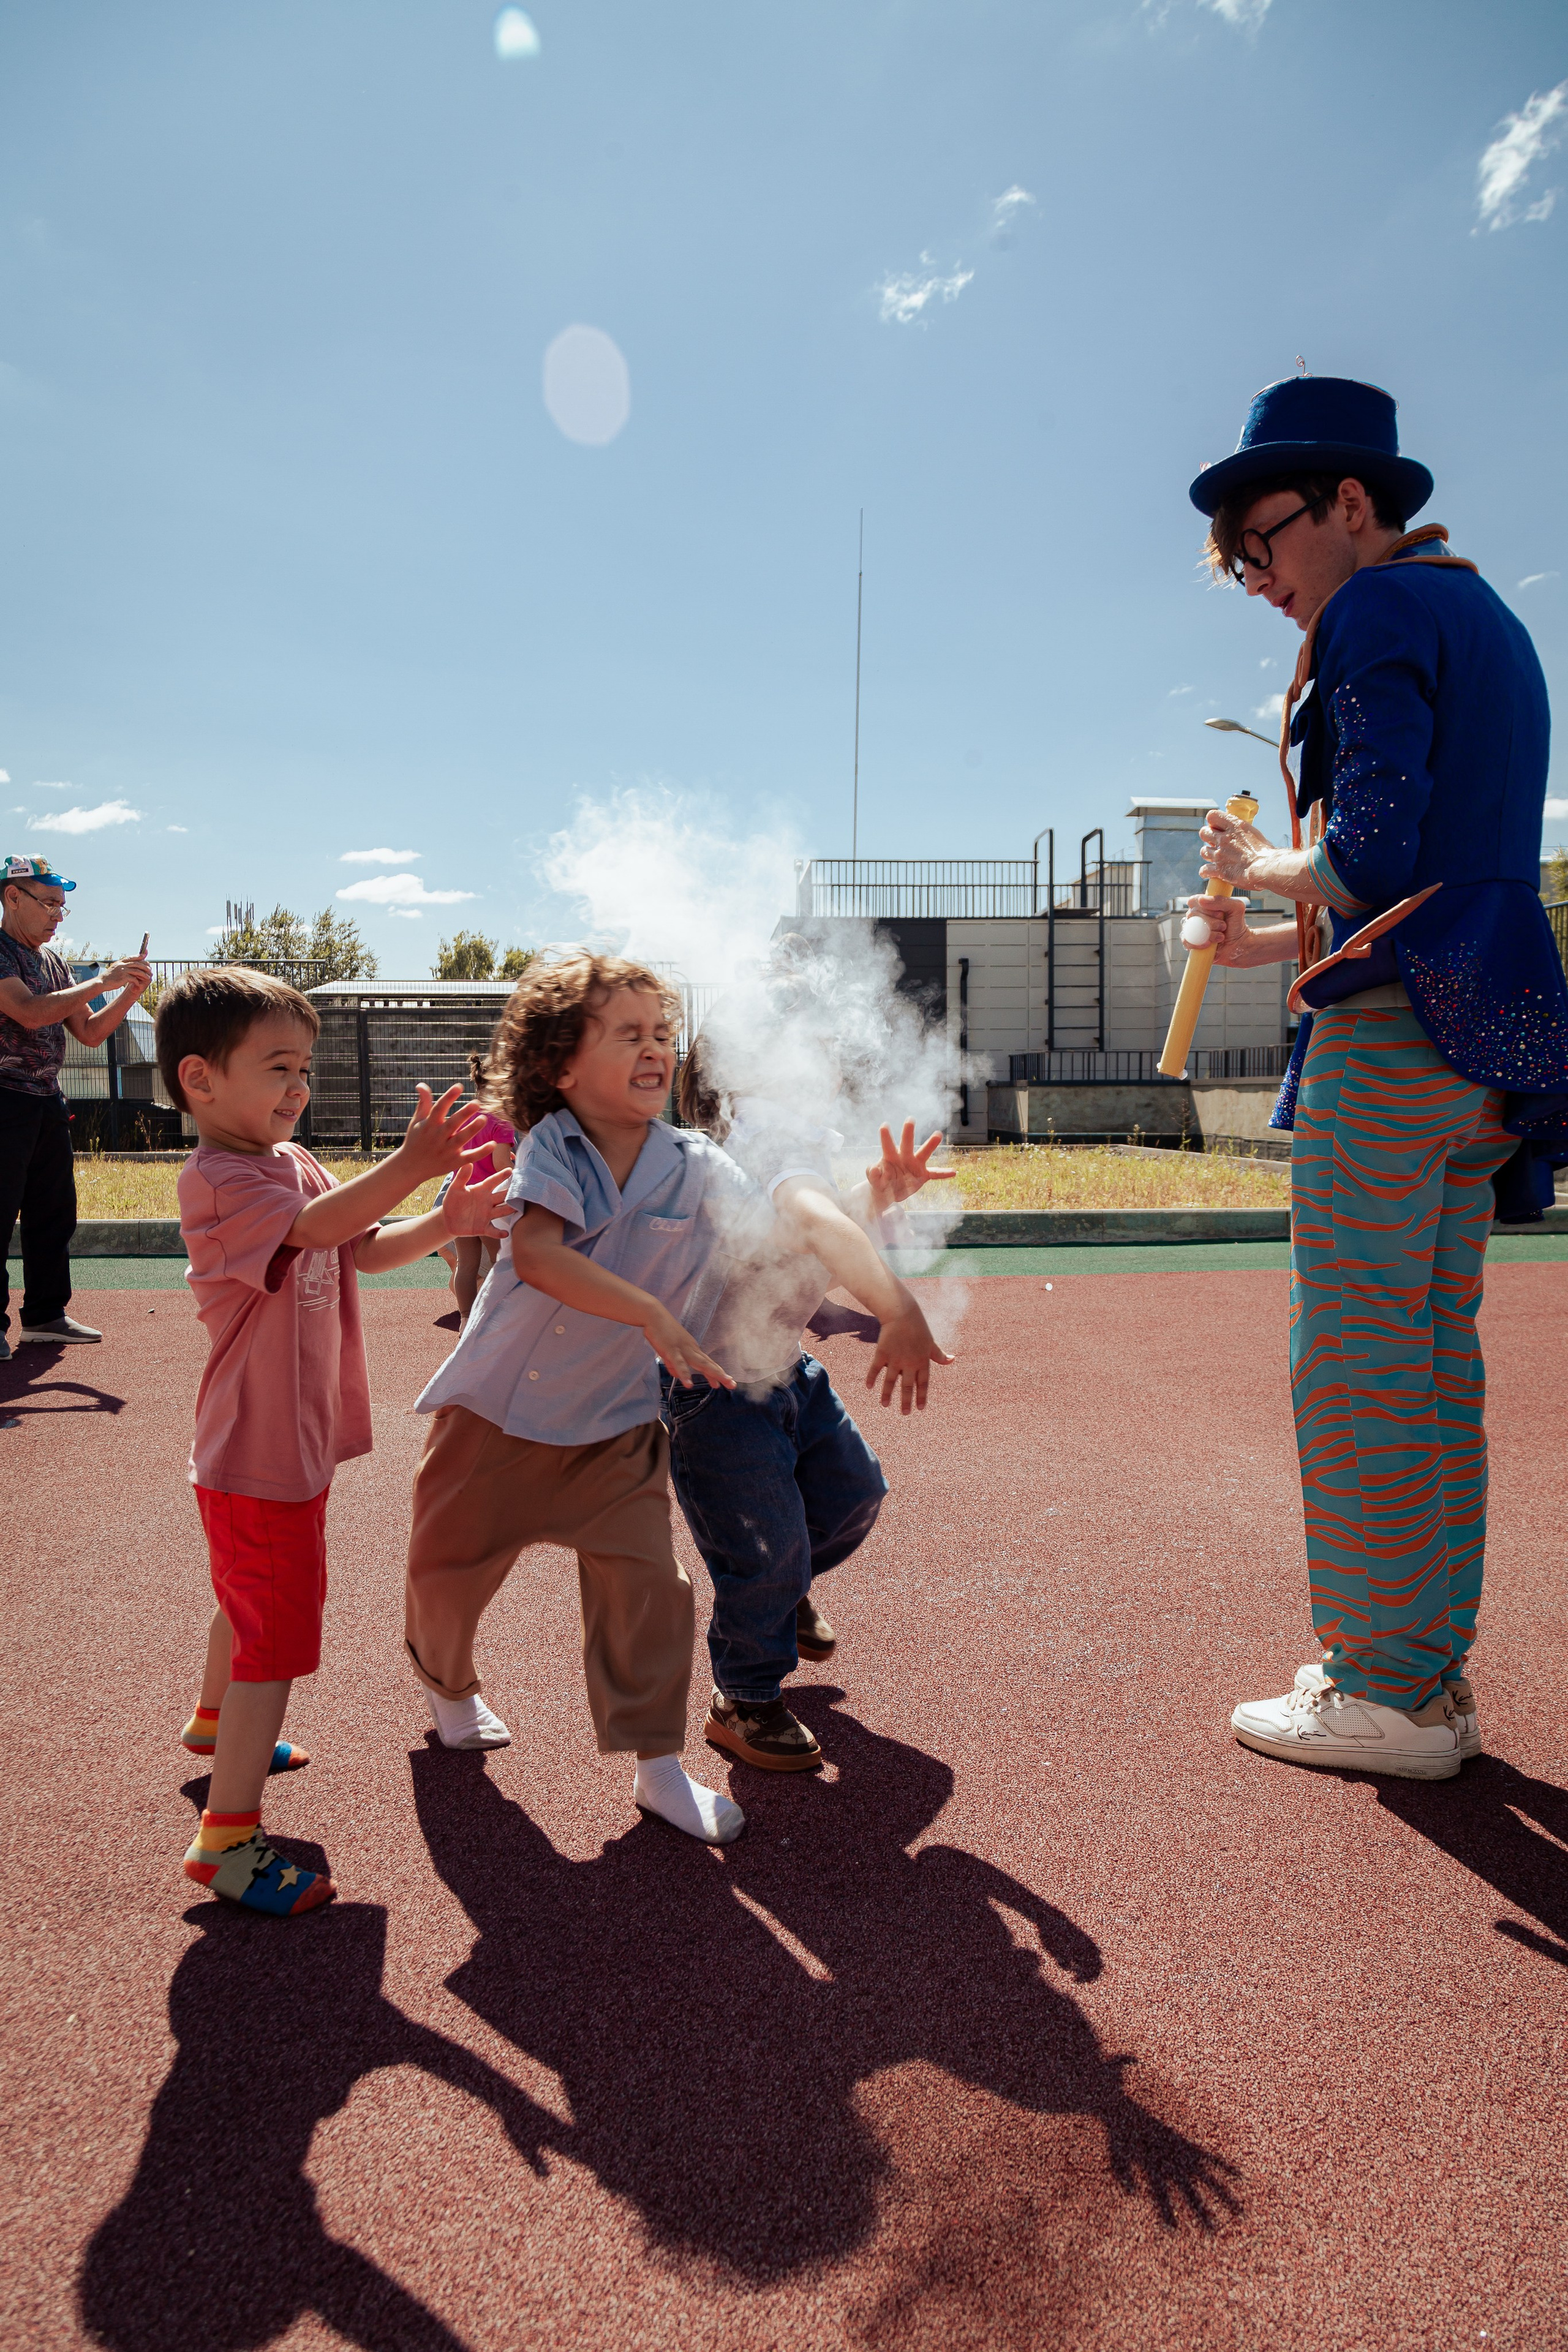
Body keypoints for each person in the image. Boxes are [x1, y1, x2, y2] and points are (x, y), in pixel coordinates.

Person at [1184, 373, 1567, 1781]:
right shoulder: (1483, 616)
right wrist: (1267, 931)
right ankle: (1422, 1669)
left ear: (1348, 503)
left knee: (1351, 1359)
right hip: (1487, 1027)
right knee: (1429, 1357)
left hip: (1395, 1039)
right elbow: (1434, 868)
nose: (1255, 578)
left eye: (1260, 540)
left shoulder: (1370, 609)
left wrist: (1257, 865)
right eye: (1236, 560)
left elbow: (1370, 853)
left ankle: (1386, 1687)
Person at [403, 951, 831, 1845]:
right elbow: (539, 1255)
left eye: (662, 1033)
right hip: (499, 1418)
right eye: (628, 1033)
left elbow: (769, 1242)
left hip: (618, 1427)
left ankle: (658, 1768)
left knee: (649, 1591)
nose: (655, 1049)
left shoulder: (696, 1160)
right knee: (445, 1579)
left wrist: (870, 1200)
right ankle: (448, 1686)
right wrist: (650, 1313)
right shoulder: (554, 1147)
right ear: (560, 1066)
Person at [155, 965, 506, 1915]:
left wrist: (445, 1219)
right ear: (200, 1080)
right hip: (255, 1453)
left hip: (288, 1445)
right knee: (274, 1637)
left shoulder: (294, 1161)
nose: (298, 1086)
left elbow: (360, 1245)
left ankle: (213, 1723)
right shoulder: (218, 1179)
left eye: (304, 1068)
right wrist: (413, 1166)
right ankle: (226, 1840)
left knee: (249, 1600)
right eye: (279, 1066)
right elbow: (316, 1227)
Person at [670, 1022, 954, 1771]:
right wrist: (897, 1308)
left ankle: (781, 1588)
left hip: (785, 1374)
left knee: (853, 1494)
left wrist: (876, 1193)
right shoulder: (763, 1139)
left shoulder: (792, 1143)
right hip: (721, 1394)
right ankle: (744, 1699)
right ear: (743, 1078)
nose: (825, 1063)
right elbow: (817, 1223)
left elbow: (806, 1229)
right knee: (763, 1549)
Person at [0, 855, 151, 1357]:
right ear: (12, 897)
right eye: (48, 904)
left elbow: (89, 1032)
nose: (57, 916)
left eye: (62, 907)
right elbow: (27, 1012)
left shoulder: (54, 963)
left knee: (54, 1212)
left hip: (46, 1099)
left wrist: (128, 992)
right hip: (4, 1099)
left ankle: (46, 1315)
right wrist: (102, 982)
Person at [433, 1052, 516, 1329]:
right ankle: (495, 1316)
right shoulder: (500, 1120)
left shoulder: (465, 1117)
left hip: (461, 1198)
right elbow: (501, 1165)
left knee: (466, 1265)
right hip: (488, 1203)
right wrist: (521, 1172)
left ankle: (466, 1320)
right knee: (498, 1262)